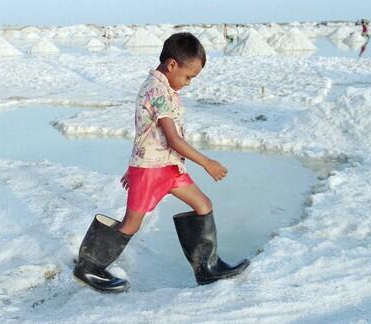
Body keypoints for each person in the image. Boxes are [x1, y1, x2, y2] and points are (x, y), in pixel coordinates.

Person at [74, 33, 250, 293]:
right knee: (131, 223)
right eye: (188, 76)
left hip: (168, 167)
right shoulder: (157, 91)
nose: (188, 83)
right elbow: (173, 139)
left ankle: (207, 268)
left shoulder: (165, 88)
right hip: (151, 170)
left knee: (203, 205)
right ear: (171, 65)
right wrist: (206, 162)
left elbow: (147, 133)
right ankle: (89, 267)